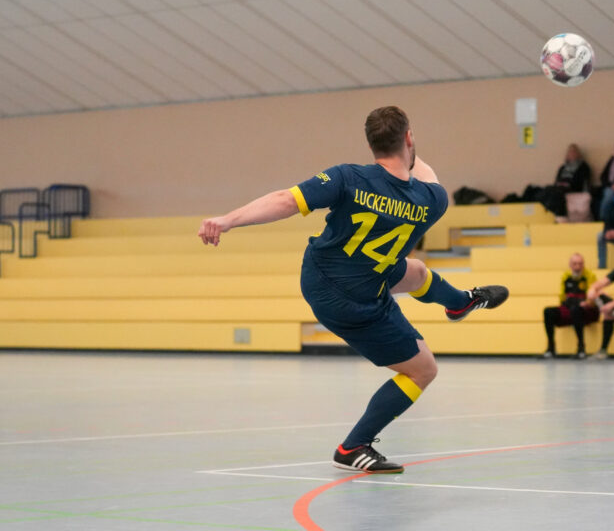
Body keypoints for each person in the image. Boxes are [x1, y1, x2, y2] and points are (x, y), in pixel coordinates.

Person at [198, 106, 509, 474]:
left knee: (416, 271)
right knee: (423, 370)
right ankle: (353, 447)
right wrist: (409, 142)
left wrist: (227, 220)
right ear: (409, 139)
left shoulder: (347, 177)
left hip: (325, 273)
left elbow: (284, 200)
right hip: (351, 301)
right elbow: (426, 175)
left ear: (370, 144)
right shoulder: (432, 200)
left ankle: (459, 304)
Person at [542, 253, 599, 359]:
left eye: (580, 264)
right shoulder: (566, 276)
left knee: (576, 310)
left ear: (583, 265)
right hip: (571, 308)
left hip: (588, 310)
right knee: (548, 311)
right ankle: (551, 348)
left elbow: (592, 299)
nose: (577, 266)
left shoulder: (590, 276)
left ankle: (581, 348)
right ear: (570, 265)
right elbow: (562, 297)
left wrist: (585, 303)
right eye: (574, 264)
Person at [547, 143, 592, 218]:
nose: (572, 153)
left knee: (558, 194)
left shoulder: (583, 167)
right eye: (570, 152)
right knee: (548, 190)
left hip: (572, 188)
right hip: (560, 186)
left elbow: (583, 182)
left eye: (574, 151)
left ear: (578, 154)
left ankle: (561, 216)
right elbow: (557, 180)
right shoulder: (563, 167)